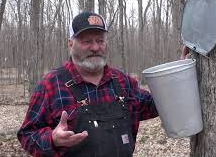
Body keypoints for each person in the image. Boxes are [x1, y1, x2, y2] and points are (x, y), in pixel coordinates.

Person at [17, 11, 189, 157]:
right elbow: (26, 135)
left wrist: (179, 73)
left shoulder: (123, 82)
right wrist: (52, 139)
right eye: (86, 41)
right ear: (71, 44)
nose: (95, 47)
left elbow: (158, 104)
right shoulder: (51, 85)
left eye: (100, 41)